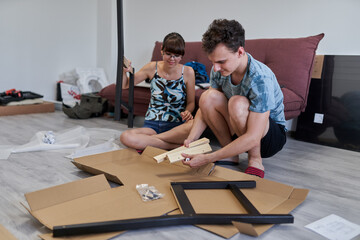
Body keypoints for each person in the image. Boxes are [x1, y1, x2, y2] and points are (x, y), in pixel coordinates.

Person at [181, 19, 287, 178]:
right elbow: (205, 108)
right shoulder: (218, 70)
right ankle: (231, 154)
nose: (215, 68)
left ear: (240, 52)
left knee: (237, 102)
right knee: (207, 97)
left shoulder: (260, 77)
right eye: (213, 62)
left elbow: (253, 136)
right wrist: (191, 140)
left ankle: (255, 160)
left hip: (269, 137)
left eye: (221, 62)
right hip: (239, 127)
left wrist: (209, 158)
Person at [120, 32, 195, 151]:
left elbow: (191, 102)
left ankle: (152, 142)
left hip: (176, 126)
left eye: (176, 55)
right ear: (162, 50)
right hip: (152, 125)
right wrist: (124, 71)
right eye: (168, 54)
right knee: (125, 136)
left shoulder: (188, 72)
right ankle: (173, 146)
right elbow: (125, 85)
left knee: (194, 126)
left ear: (182, 55)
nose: (172, 59)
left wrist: (188, 112)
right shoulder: (151, 67)